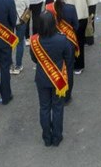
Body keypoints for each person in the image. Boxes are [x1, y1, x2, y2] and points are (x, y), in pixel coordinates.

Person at [30, 9, 73, 146]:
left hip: (42, 78)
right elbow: (69, 58)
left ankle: (46, 138)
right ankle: (57, 137)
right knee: (58, 108)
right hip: (58, 79)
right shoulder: (62, 39)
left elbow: (34, 59)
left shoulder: (35, 40)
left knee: (44, 108)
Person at [47, 0, 80, 101]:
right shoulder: (71, 8)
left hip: (52, 42)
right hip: (68, 42)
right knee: (69, 69)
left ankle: (55, 91)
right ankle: (67, 96)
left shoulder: (48, 8)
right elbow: (76, 26)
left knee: (53, 67)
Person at [60, 0, 90, 73]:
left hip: (66, 18)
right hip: (82, 16)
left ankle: (67, 63)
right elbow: (90, 1)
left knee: (67, 41)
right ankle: (79, 66)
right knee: (80, 41)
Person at [6, 0, 32, 75]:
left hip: (8, 21)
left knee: (8, 42)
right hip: (21, 20)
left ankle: (10, 64)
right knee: (20, 42)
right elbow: (28, 5)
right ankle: (18, 65)